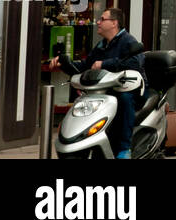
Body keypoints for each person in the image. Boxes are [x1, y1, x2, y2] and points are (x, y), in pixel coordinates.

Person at [49, 8, 143, 159]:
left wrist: (105, 64)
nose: (98, 22)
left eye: (102, 19)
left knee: (124, 99)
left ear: (114, 23)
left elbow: (135, 62)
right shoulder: (102, 45)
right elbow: (85, 65)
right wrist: (63, 63)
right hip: (104, 90)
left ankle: (125, 149)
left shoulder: (128, 41)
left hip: (128, 88)